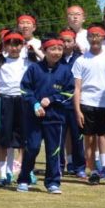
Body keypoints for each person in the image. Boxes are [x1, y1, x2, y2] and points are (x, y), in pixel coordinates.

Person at [0, 29, 36, 187]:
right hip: (5, 101)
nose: (14, 48)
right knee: (5, 140)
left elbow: (44, 61)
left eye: (17, 44)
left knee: (24, 138)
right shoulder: (0, 62)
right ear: (5, 46)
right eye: (10, 44)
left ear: (22, 45)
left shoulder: (27, 61)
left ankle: (26, 170)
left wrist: (34, 50)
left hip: (22, 100)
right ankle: (4, 173)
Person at [19, 35, 75, 194]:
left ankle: (53, 182)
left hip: (55, 118)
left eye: (59, 49)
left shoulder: (65, 71)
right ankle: (24, 179)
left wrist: (52, 99)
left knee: (54, 151)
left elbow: (69, 93)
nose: (57, 52)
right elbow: (24, 89)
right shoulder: (34, 69)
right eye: (53, 49)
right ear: (44, 50)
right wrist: (35, 103)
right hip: (34, 118)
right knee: (32, 147)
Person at [72, 25, 105, 184]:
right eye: (91, 35)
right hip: (86, 104)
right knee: (90, 141)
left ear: (103, 38)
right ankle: (93, 171)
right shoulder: (81, 60)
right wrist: (78, 110)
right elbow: (77, 88)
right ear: (87, 38)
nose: (94, 38)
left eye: (98, 35)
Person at [58, 29, 86, 178]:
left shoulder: (80, 58)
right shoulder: (55, 58)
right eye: (63, 41)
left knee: (77, 137)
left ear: (75, 42)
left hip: (75, 105)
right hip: (59, 104)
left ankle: (79, 166)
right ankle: (59, 166)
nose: (66, 44)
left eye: (69, 41)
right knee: (59, 138)